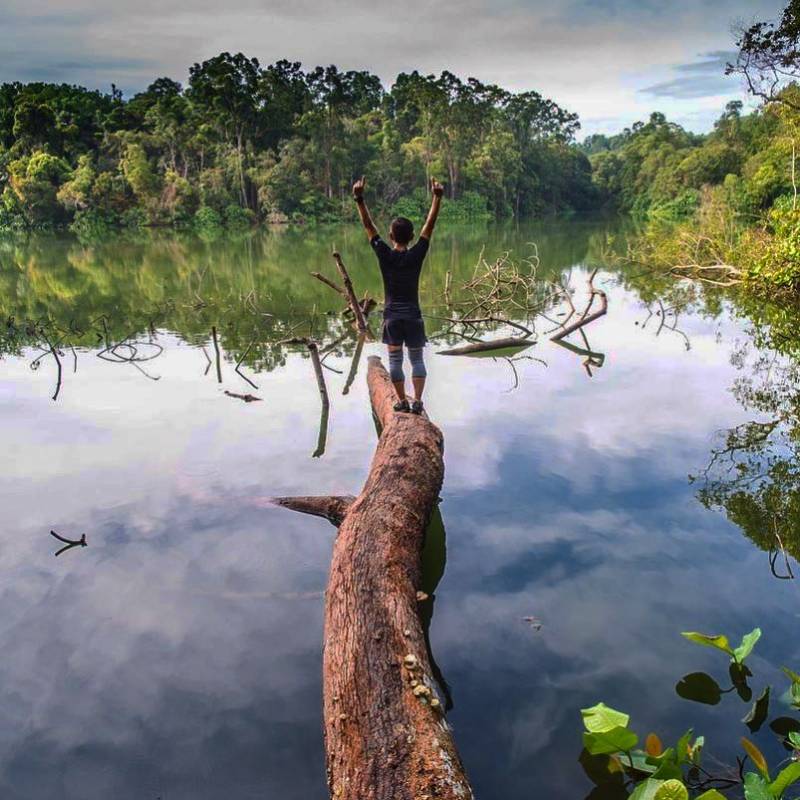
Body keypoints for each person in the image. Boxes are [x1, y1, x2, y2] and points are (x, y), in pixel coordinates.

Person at [352, 175, 443, 414]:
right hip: (413, 316)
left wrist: (359, 199)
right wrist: (437, 198)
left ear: (391, 237)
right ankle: (418, 402)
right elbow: (430, 225)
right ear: (412, 237)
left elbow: (369, 227)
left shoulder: (385, 254)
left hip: (392, 317)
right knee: (417, 360)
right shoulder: (416, 254)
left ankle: (402, 401)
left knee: (395, 361)